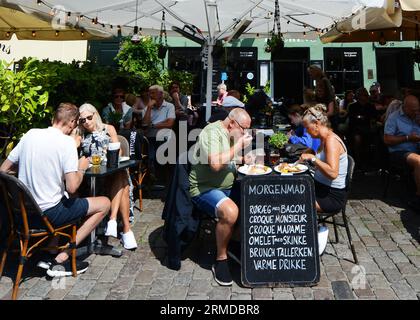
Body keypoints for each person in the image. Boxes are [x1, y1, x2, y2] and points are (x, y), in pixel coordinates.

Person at [0, 103, 111, 277]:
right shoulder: (67, 143)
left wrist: (33, 168)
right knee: (104, 203)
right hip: (48, 215)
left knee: (63, 197)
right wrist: (81, 167)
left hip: (22, 214)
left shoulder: (30, 134)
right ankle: (61, 258)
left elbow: (4, 170)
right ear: (73, 122)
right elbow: (73, 186)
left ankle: (49, 252)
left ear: (54, 118)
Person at [189, 108, 253, 286]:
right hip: (204, 188)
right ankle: (221, 259)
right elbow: (216, 164)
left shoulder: (229, 133)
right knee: (230, 212)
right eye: (243, 128)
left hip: (227, 186)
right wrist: (239, 146)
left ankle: (234, 242)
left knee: (254, 201)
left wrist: (242, 159)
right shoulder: (211, 132)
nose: (244, 133)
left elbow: (226, 157)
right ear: (232, 123)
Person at [78, 103, 137, 250]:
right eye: (82, 120)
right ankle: (125, 230)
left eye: (89, 117)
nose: (87, 122)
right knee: (123, 182)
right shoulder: (80, 134)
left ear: (95, 114)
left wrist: (109, 152)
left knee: (120, 175)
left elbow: (118, 153)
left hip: (109, 172)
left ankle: (112, 221)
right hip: (90, 176)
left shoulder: (108, 129)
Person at [299, 104, 348, 254]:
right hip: (321, 188)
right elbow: (324, 158)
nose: (307, 131)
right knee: (292, 191)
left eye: (308, 128)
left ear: (317, 124)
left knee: (294, 201)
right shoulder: (323, 138)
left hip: (331, 196)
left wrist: (313, 159)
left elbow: (333, 172)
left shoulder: (331, 141)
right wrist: (313, 151)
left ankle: (308, 239)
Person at [384, 95, 420, 210]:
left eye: (418, 110)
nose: (416, 112)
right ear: (406, 108)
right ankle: (418, 197)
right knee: (419, 161)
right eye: (414, 111)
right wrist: (408, 138)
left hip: (416, 148)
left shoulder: (417, 117)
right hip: (399, 152)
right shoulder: (394, 118)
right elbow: (387, 140)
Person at [142, 85, 176, 186]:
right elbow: (144, 124)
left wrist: (152, 125)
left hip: (164, 137)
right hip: (149, 137)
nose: (150, 95)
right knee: (149, 148)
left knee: (159, 144)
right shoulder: (147, 108)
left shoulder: (169, 106)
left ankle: (159, 178)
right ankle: (154, 177)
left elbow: (169, 124)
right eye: (149, 93)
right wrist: (149, 108)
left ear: (161, 94)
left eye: (153, 93)